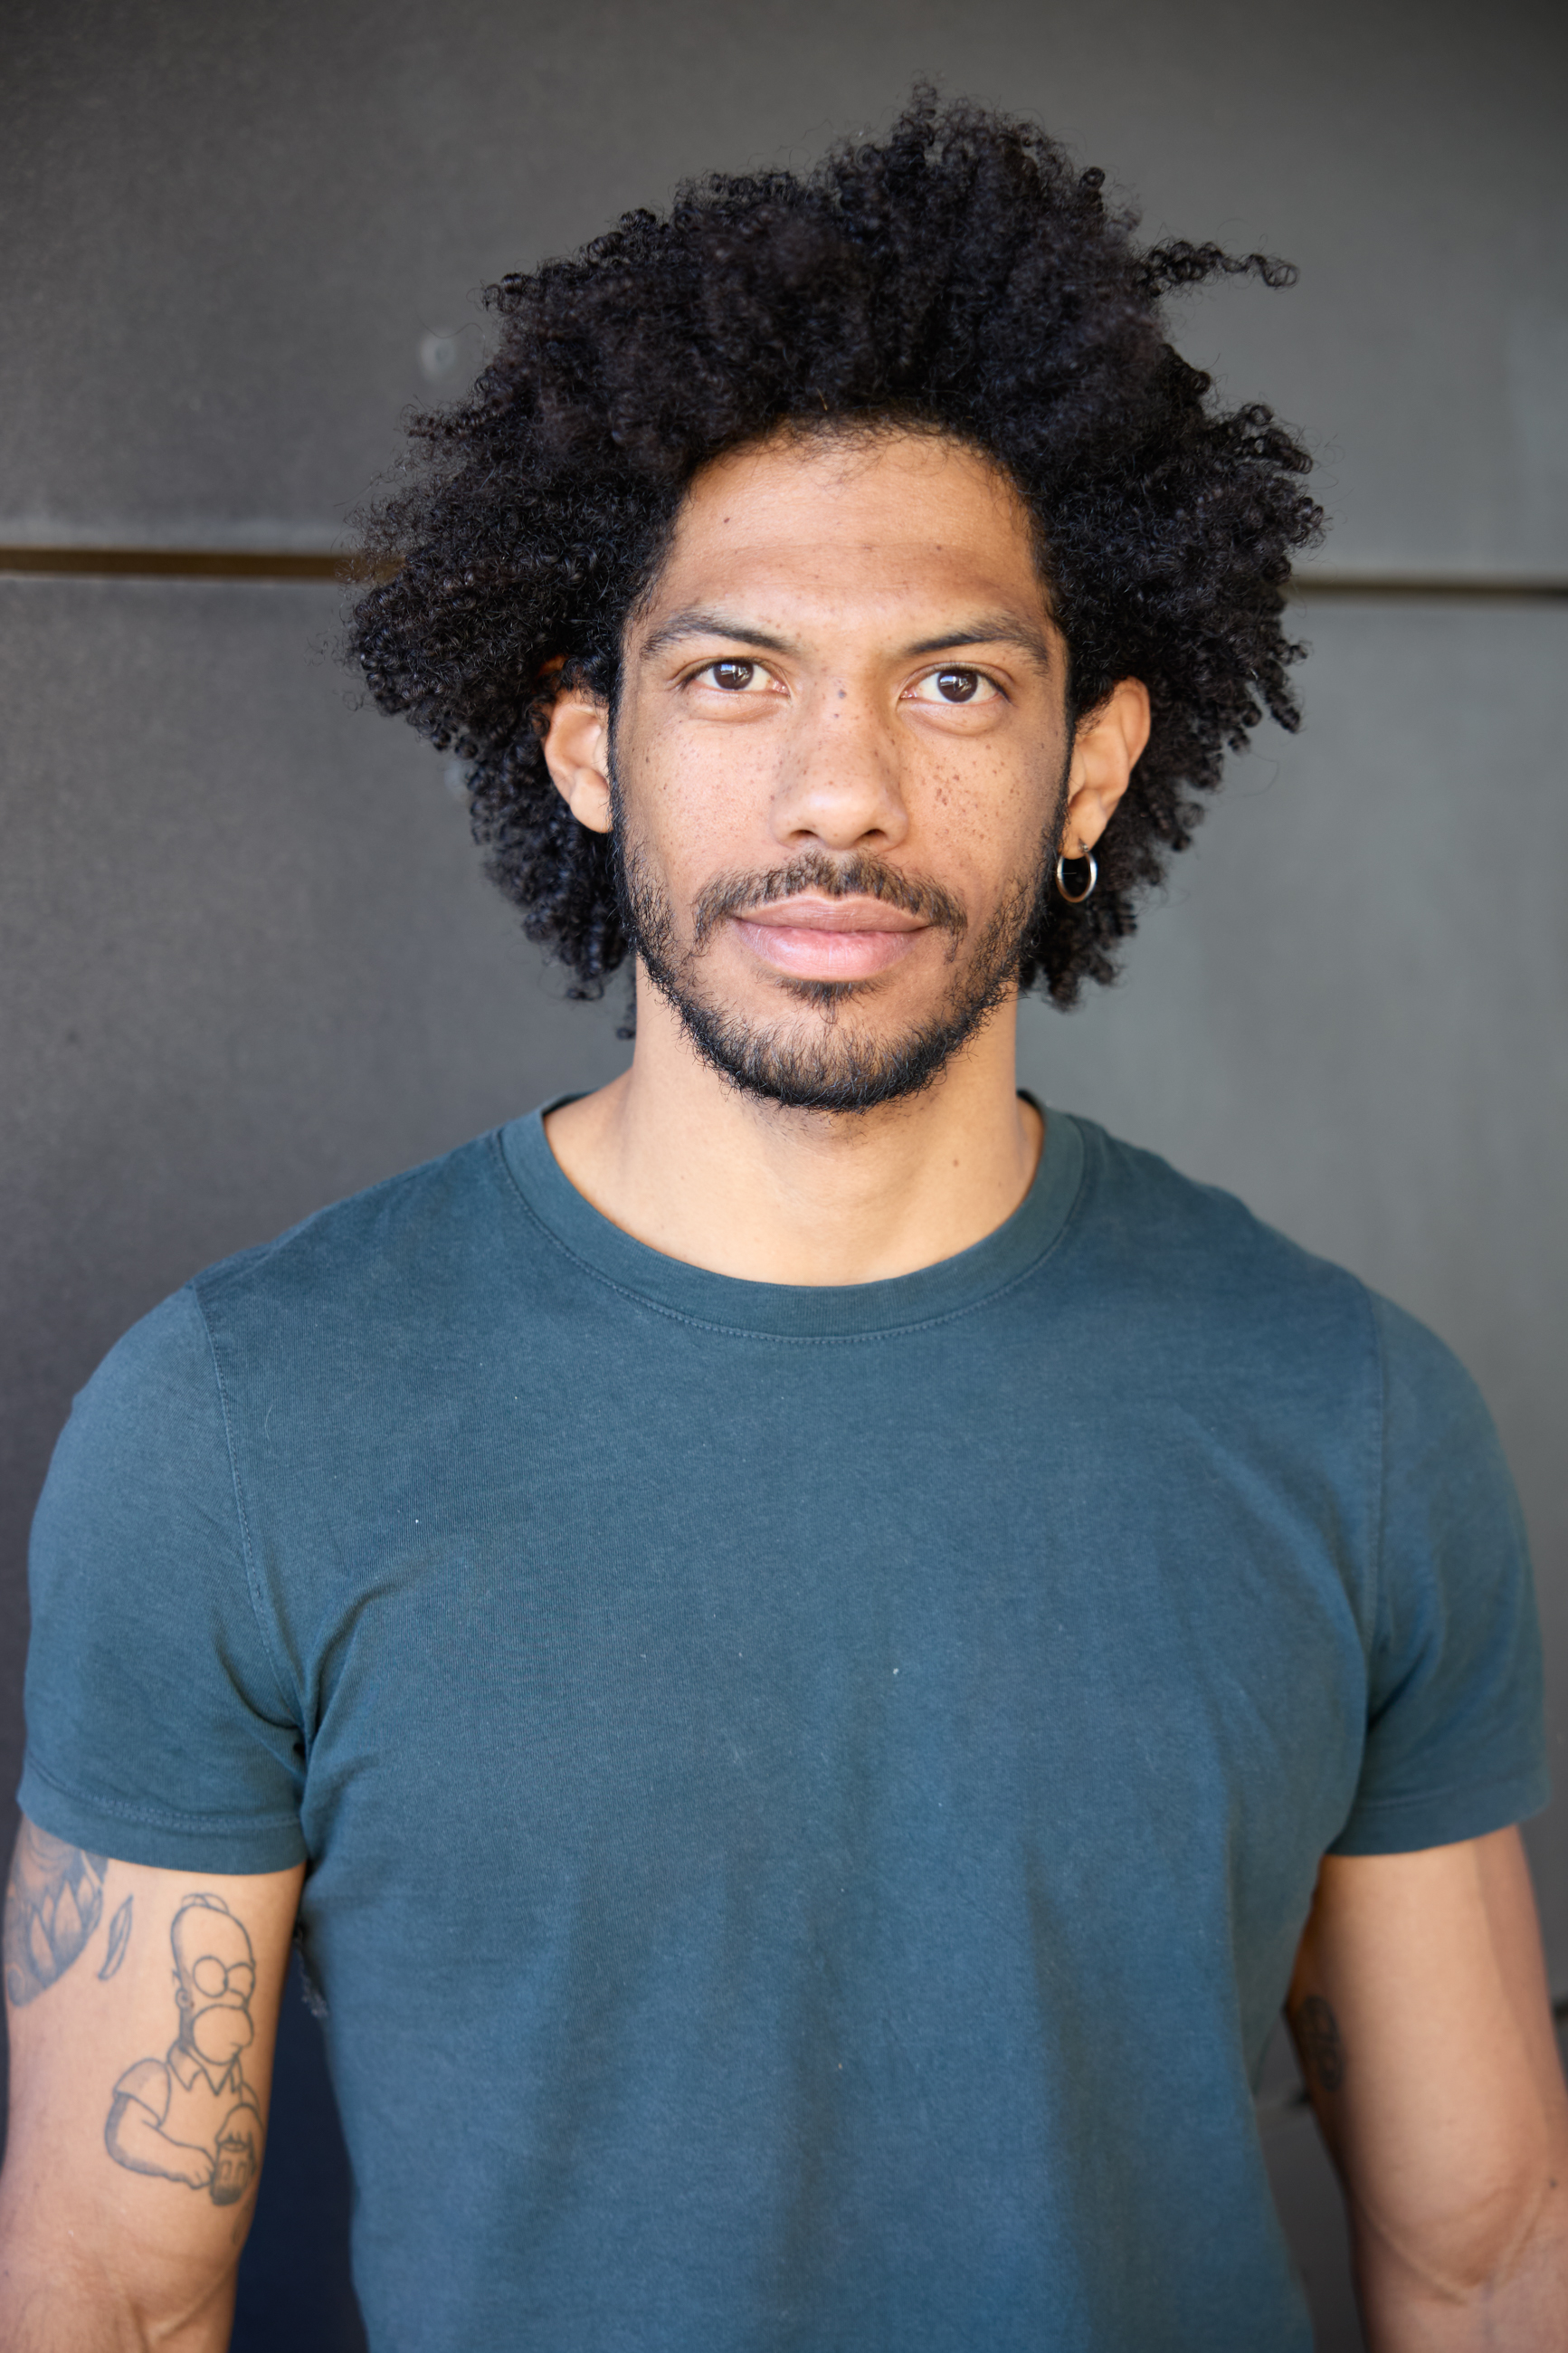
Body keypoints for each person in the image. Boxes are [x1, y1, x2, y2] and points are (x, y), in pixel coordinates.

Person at [1, 89, 1563, 2353]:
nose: (842, 791)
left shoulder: (1353, 1418)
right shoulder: (238, 1427)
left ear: (1094, 761)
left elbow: (1487, 2258)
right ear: (589, 746)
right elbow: (110, 2300)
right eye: (733, 675)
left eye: (956, 682)